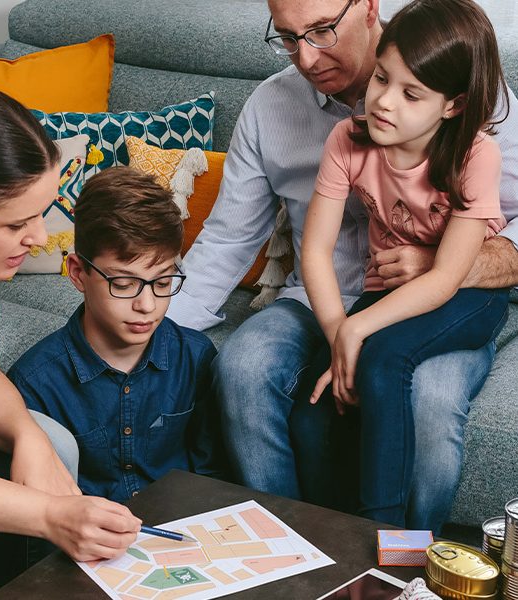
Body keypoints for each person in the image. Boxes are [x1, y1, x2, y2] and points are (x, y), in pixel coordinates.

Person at [165, 0, 518, 533]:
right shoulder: (274, 109)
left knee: (429, 397)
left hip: (434, 298)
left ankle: (410, 562)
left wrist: (447, 262)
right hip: (317, 297)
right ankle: (297, 553)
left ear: (370, 7)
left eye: (322, 31)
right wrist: (149, 327)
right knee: (243, 367)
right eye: (287, 37)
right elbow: (228, 238)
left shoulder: (472, 99)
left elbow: (492, 233)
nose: (305, 58)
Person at [0, 85, 141, 600]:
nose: (40, 237)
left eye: (40, 213)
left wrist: (26, 437)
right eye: (16, 223)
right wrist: (47, 515)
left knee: (50, 441)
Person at [300, 0, 509, 527]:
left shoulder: (474, 154)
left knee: (384, 360)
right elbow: (315, 251)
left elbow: (444, 279)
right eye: (382, 80)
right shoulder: (348, 139)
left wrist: (359, 330)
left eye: (411, 93)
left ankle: (389, 542)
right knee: (319, 401)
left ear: (453, 106)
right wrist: (337, 333)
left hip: (466, 296)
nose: (385, 102)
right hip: (387, 292)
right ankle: (337, 536)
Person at [8, 167, 226, 503]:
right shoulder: (34, 383)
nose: (148, 305)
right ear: (78, 273)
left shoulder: (196, 358)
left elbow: (211, 477)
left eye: (163, 283)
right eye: (123, 284)